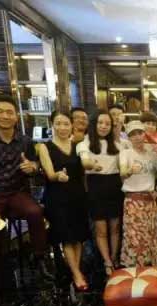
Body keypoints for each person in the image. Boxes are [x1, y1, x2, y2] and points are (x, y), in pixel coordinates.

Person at [0, 94, 51, 286]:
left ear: (16, 116)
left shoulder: (25, 141)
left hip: (18, 193)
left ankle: (40, 258)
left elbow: (34, 165)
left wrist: (32, 167)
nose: (5, 116)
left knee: (35, 212)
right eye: (0, 112)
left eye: (9, 112)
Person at [37, 111, 91, 291]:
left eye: (66, 124)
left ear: (71, 125)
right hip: (58, 197)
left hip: (78, 195)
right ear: (52, 124)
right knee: (67, 237)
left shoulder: (78, 146)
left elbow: (83, 170)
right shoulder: (45, 147)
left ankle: (75, 267)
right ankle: (76, 273)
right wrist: (57, 176)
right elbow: (49, 173)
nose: (62, 127)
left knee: (78, 236)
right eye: (58, 123)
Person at [77, 110, 123, 276]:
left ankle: (114, 257)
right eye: (100, 123)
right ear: (93, 124)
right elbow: (85, 161)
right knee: (101, 229)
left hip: (115, 186)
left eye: (107, 124)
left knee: (115, 227)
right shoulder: (85, 143)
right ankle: (107, 261)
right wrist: (92, 165)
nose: (104, 126)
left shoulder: (117, 145)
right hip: (96, 187)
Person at [119, 121, 157, 267]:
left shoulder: (152, 153)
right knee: (134, 237)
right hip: (133, 202)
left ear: (144, 134)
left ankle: (151, 270)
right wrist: (129, 171)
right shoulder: (125, 153)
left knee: (150, 235)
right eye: (133, 134)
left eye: (140, 133)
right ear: (129, 137)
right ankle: (136, 270)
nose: (137, 137)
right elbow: (122, 172)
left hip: (149, 201)